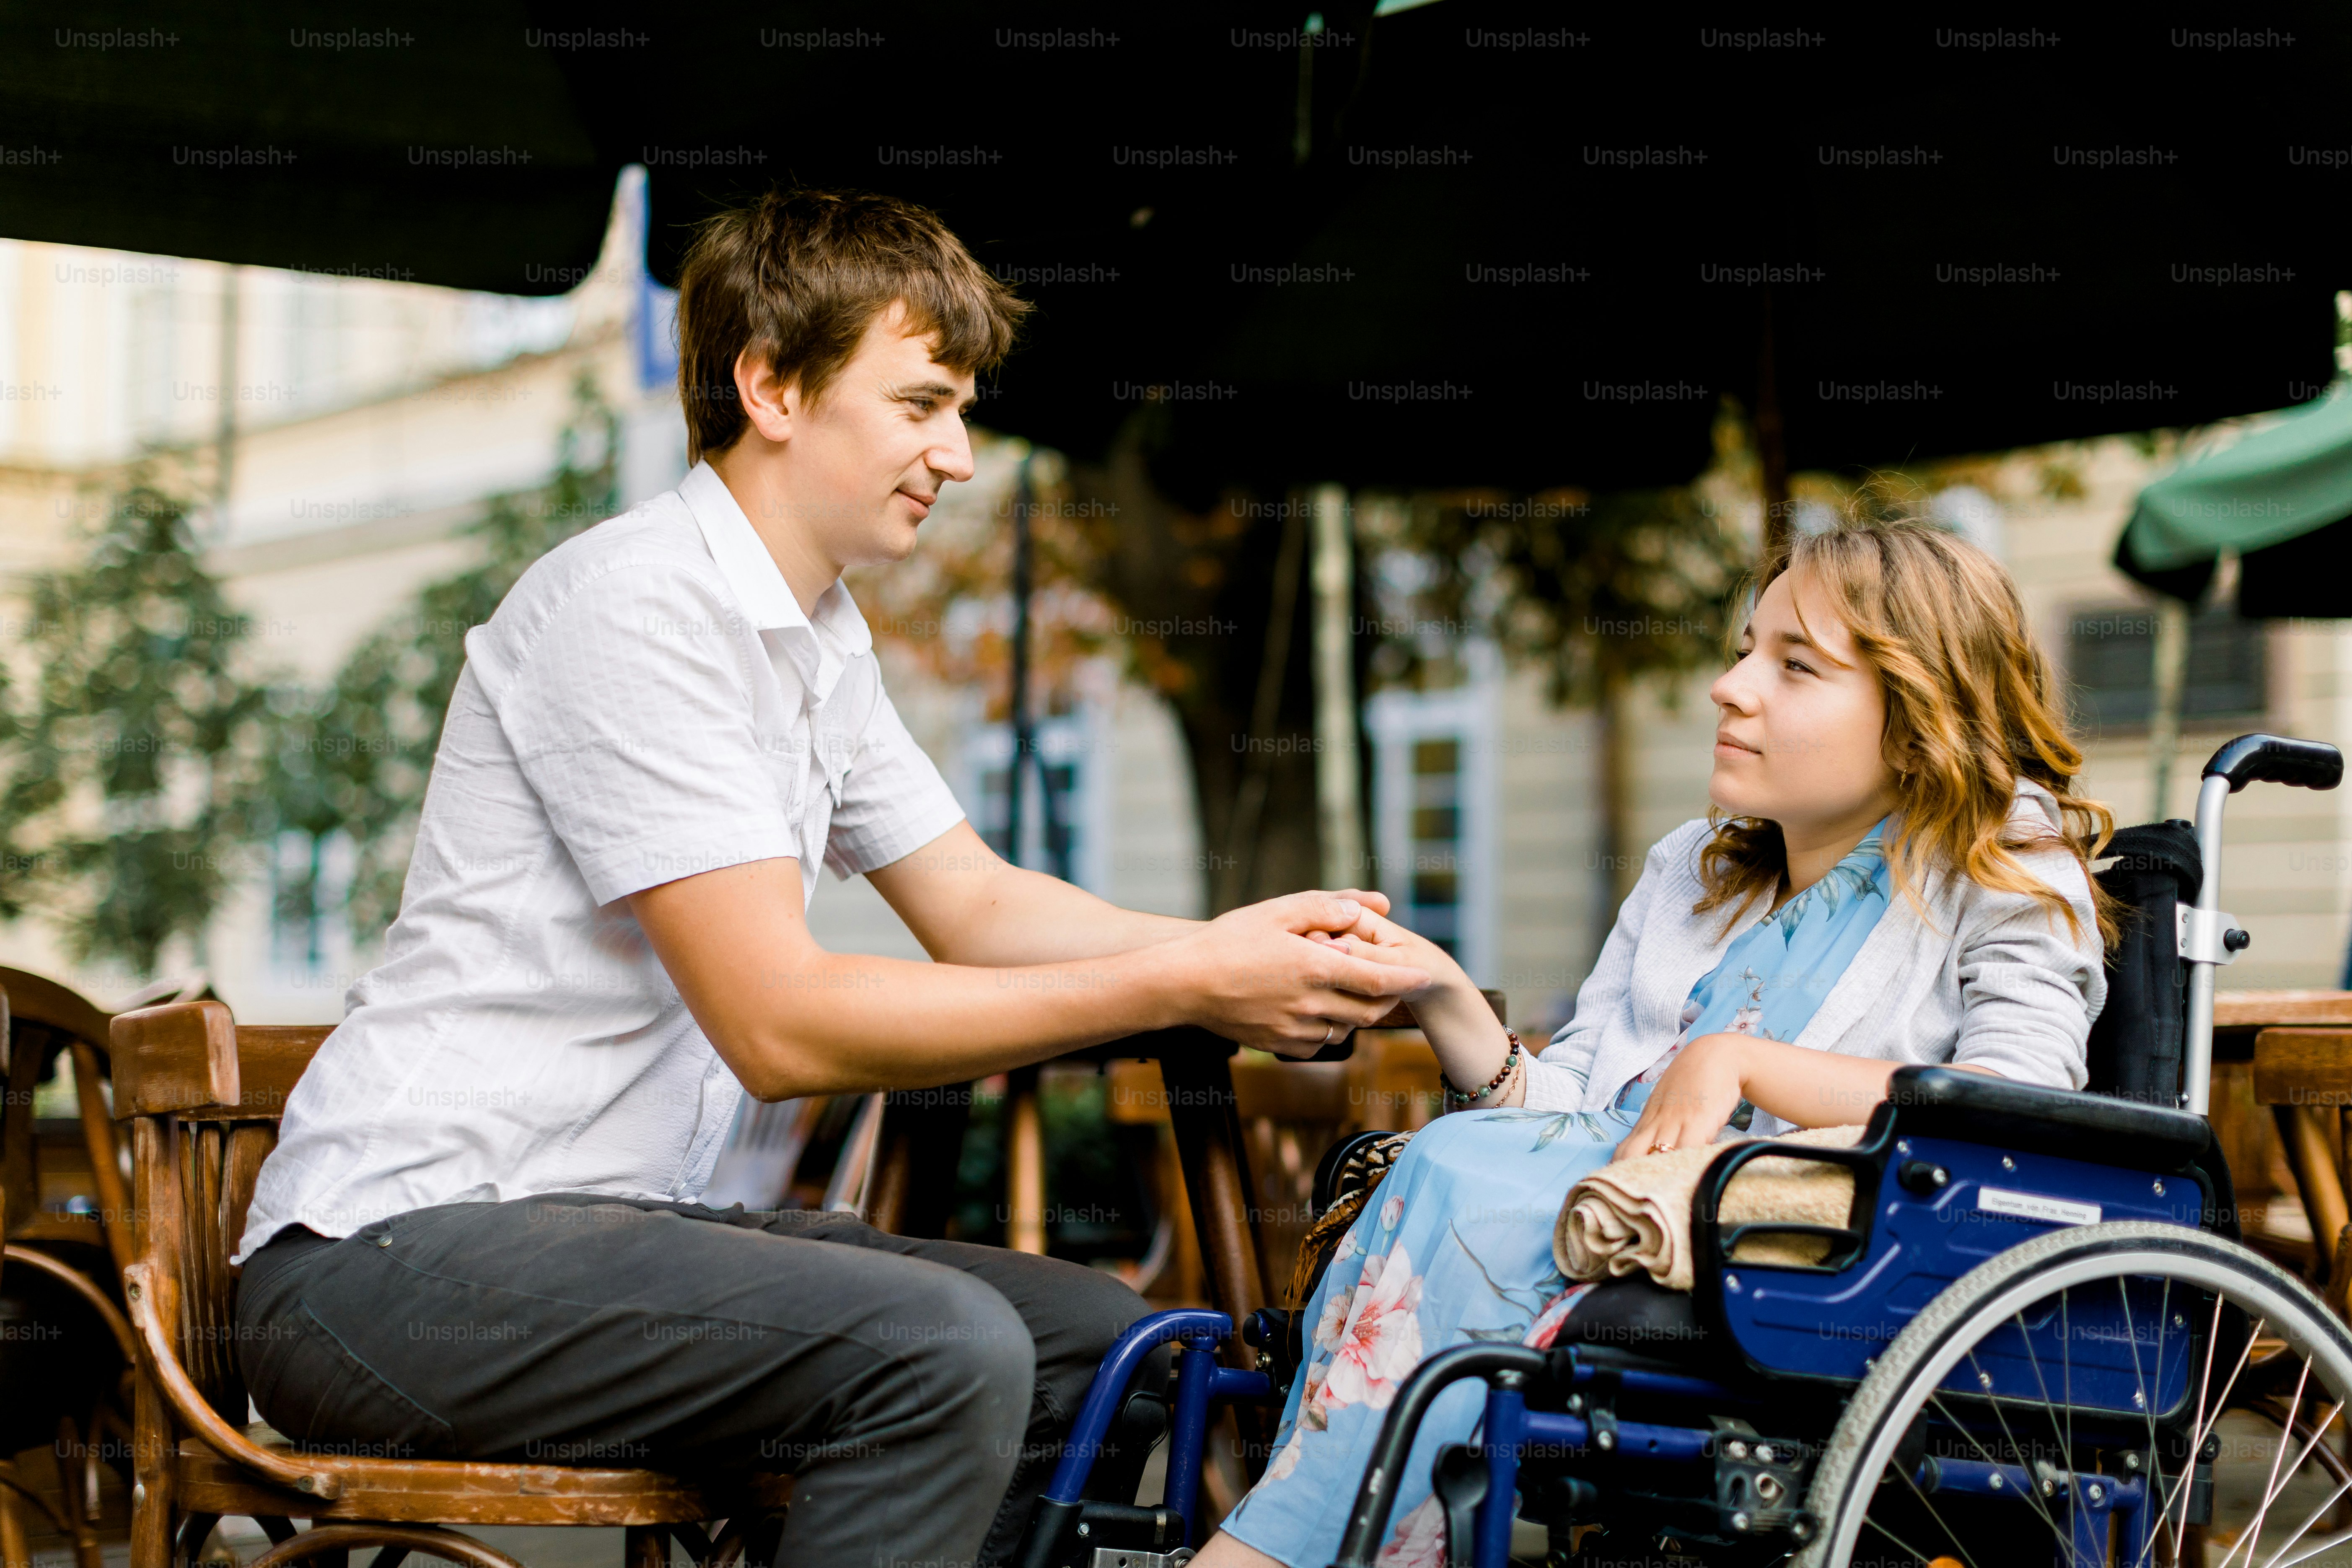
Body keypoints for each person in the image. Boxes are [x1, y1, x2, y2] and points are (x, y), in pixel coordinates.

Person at [230, 187, 1427, 1568]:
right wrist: (1187, 978)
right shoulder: (637, 607)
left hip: (597, 1238)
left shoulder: (818, 639)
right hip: (390, 1267)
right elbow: (780, 1022)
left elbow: (976, 906)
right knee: (945, 1349)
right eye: (922, 403)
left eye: (963, 409)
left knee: (1106, 1348)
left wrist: (1241, 946)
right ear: (772, 387)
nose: (960, 455)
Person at [1200, 518, 2120, 1568]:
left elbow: (2016, 1112)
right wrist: (1445, 993)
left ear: (1918, 719)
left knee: (1454, 1169)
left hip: (1820, 1268)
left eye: (1795, 666)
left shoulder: (2003, 867)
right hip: (1615, 1214)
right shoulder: (1693, 871)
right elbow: (1576, 1115)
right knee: (1442, 1158)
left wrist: (1742, 1060)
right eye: (1743, 651)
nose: (1731, 688)